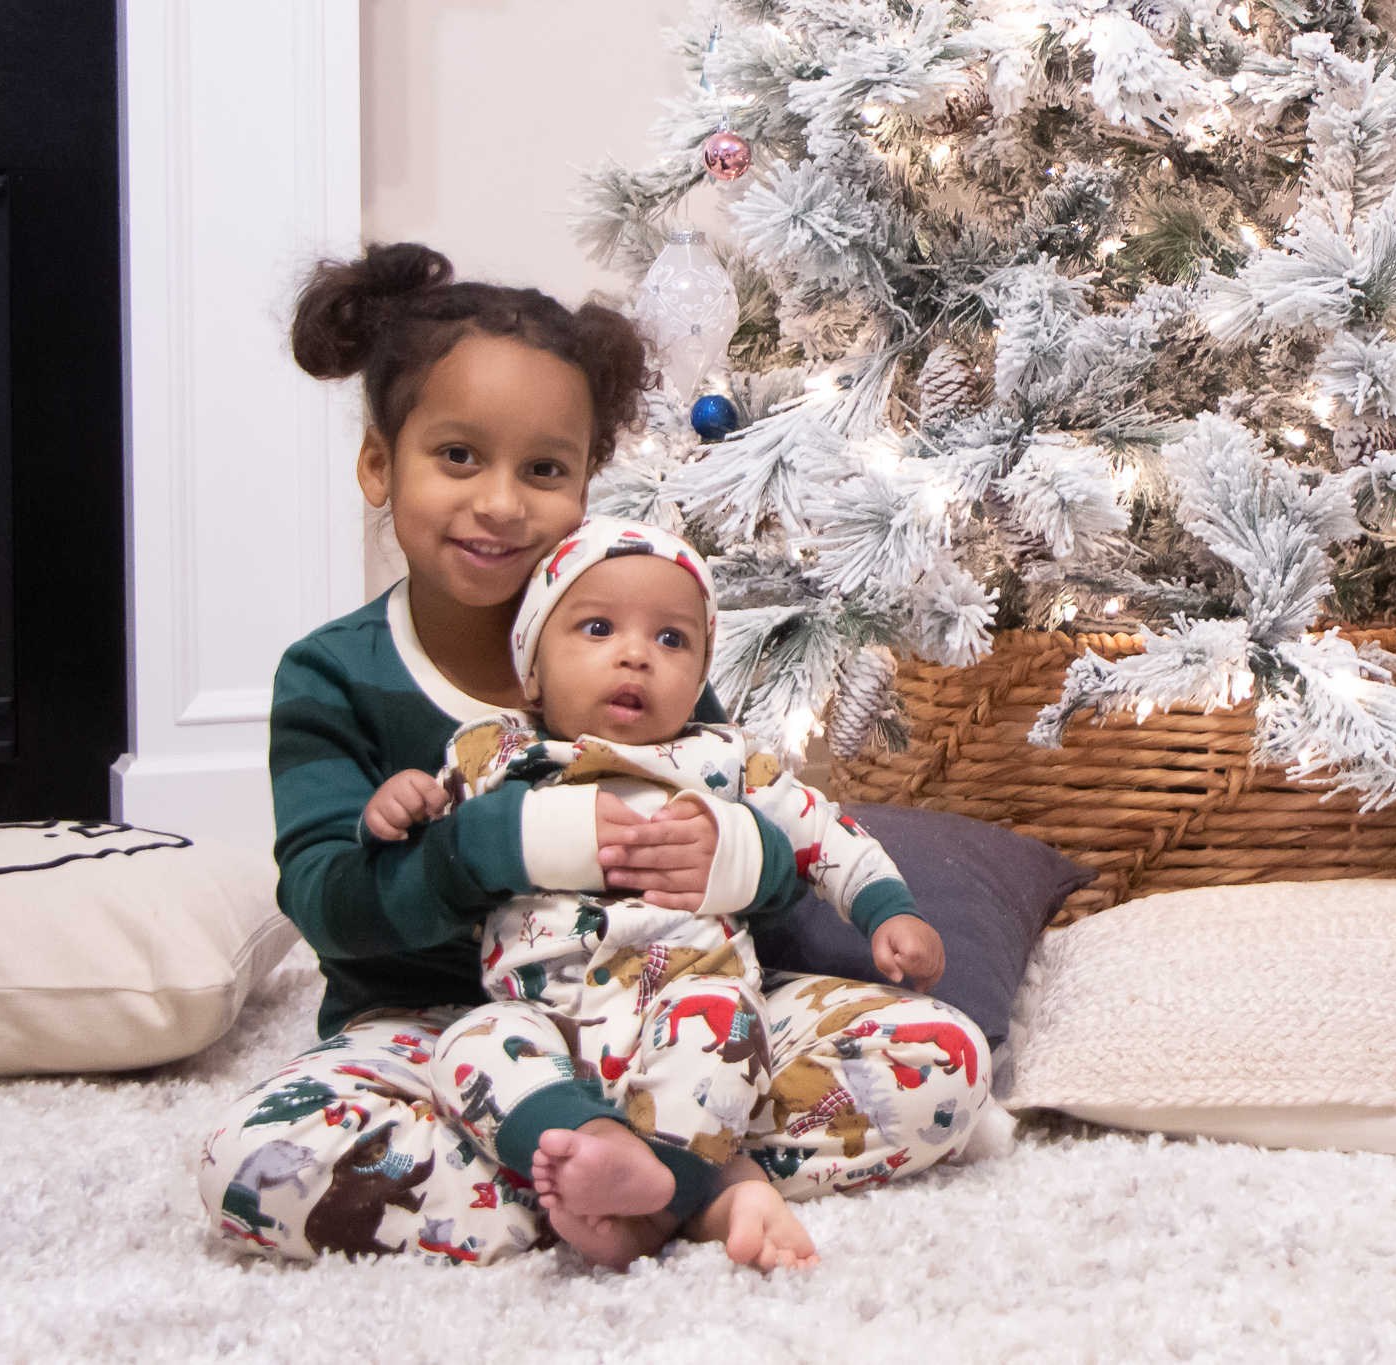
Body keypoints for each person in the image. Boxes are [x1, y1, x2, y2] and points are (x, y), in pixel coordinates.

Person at [195, 242, 993, 1272]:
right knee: (257, 1168)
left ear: (584, 483)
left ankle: (630, 1174)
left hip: (668, 1009)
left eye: (542, 469)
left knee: (942, 1063)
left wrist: (728, 854)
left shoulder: (634, 644)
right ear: (379, 465)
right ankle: (694, 1186)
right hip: (445, 1031)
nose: (498, 503)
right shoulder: (332, 676)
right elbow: (327, 902)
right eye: (457, 457)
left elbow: (749, 821)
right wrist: (495, 845)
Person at [360, 515, 943, 1269]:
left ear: (700, 673)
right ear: (532, 668)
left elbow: (824, 835)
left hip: (690, 1003)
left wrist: (888, 909)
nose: (636, 654)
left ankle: (654, 1189)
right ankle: (611, 1153)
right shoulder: (498, 751)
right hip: (547, 1021)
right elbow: (432, 837)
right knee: (468, 1046)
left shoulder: (725, 759)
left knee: (784, 1033)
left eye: (671, 640)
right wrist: (399, 804)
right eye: (598, 628)